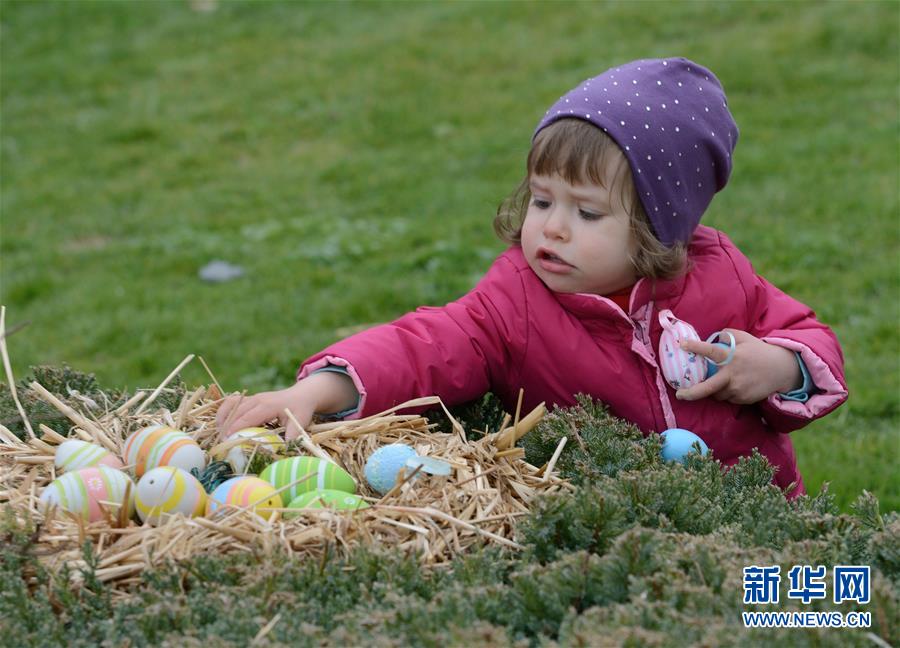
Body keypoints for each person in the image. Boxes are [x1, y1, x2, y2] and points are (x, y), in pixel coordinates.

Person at [217, 57, 848, 497]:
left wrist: (778, 367)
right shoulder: (517, 302)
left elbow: (810, 338)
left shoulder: (722, 275)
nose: (552, 228)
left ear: (662, 224)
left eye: (587, 212)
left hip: (759, 510)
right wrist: (319, 390)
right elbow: (425, 345)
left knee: (807, 610)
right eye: (542, 200)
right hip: (621, 530)